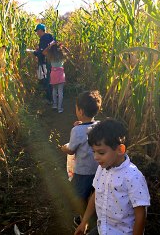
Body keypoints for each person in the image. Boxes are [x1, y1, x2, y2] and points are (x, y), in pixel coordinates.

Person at [74, 119, 150, 235]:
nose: (95, 157)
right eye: (93, 152)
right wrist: (84, 221)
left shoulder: (133, 177)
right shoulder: (102, 168)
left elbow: (140, 214)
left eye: (101, 153)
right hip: (102, 228)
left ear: (120, 150)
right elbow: (96, 195)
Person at [61, 91, 102, 223]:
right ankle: (96, 213)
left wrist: (63, 148)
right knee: (95, 192)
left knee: (80, 195)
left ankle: (82, 218)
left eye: (76, 107)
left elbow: (71, 150)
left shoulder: (76, 131)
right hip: (98, 170)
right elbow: (88, 129)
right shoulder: (99, 126)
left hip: (83, 172)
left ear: (81, 111)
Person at [43, 41, 66, 113]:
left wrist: (50, 45)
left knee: (54, 90)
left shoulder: (51, 55)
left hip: (53, 73)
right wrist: (62, 46)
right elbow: (69, 52)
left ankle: (54, 105)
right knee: (60, 92)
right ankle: (60, 108)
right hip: (60, 74)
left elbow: (44, 52)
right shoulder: (62, 55)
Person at [33, 23, 54, 103]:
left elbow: (43, 52)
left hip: (45, 61)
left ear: (41, 30)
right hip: (50, 61)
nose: (37, 33)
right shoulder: (50, 37)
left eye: (37, 31)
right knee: (50, 79)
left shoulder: (44, 38)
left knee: (47, 80)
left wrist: (35, 53)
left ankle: (49, 99)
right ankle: (52, 97)